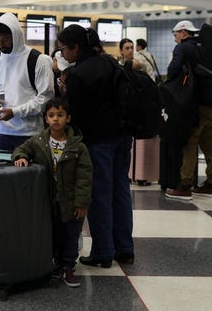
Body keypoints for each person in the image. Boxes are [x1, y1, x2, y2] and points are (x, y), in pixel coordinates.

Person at [57, 25, 134, 268]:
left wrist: (64, 95)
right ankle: (125, 248)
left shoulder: (79, 75)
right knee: (120, 190)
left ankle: (103, 252)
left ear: (76, 48)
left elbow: (75, 114)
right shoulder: (110, 62)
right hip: (122, 137)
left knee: (99, 195)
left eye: (64, 50)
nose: (63, 56)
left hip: (98, 142)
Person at [12, 98, 92, 288]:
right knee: (53, 235)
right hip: (49, 202)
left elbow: (85, 178)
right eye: (51, 115)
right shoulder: (39, 141)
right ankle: (56, 265)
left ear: (68, 118)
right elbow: (20, 149)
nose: (56, 119)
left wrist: (82, 204)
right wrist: (21, 157)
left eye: (60, 115)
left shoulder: (78, 147)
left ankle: (68, 267)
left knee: (71, 236)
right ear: (46, 119)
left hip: (71, 202)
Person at [0, 12, 55, 151]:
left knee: (28, 173)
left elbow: (45, 99)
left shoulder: (38, 60)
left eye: (6, 39)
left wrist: (15, 112)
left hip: (29, 134)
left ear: (16, 36)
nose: (1, 44)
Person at [165, 20, 212, 200]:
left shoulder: (183, 48)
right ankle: (211, 183)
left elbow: (172, 70)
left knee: (190, 140)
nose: (175, 40)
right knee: (209, 140)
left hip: (193, 101)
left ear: (183, 32)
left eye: (175, 35)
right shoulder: (203, 46)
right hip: (209, 101)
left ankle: (185, 185)